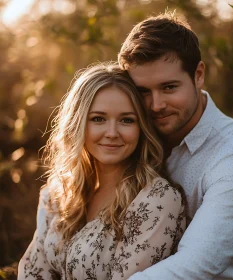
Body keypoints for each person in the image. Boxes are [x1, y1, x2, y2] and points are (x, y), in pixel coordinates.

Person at [118, 11, 233, 279]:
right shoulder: (132, 133)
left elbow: (196, 265)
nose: (156, 105)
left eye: (169, 87)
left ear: (198, 75)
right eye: (143, 92)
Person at [18, 63, 186, 280]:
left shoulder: (156, 201)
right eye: (98, 119)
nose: (112, 133)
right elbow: (33, 271)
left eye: (127, 120)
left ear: (141, 128)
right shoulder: (58, 193)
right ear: (78, 124)